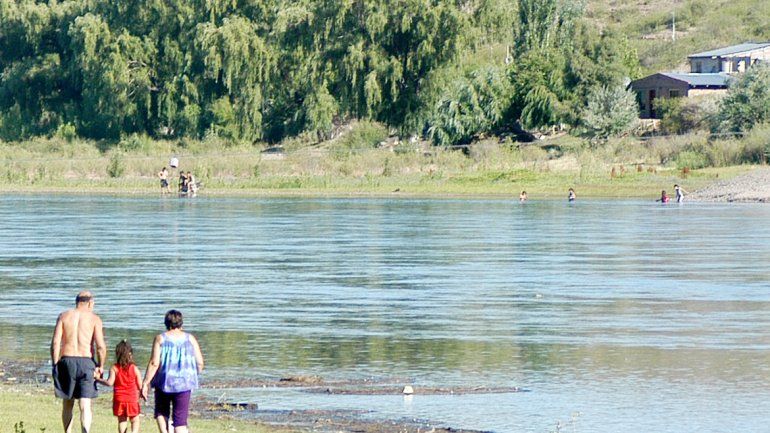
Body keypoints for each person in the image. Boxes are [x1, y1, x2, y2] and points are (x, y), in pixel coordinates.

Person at [51, 291, 107, 433]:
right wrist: (101, 365)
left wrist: (55, 363)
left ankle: (68, 431)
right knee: (85, 403)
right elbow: (100, 346)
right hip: (86, 361)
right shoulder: (95, 319)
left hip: (67, 359)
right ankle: (85, 431)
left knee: (68, 402)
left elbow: (56, 342)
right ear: (90, 303)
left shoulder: (64, 316)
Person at [141, 310, 204, 433]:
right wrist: (193, 374)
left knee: (161, 411)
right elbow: (200, 362)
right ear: (181, 323)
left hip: (164, 381)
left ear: (166, 323)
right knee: (180, 422)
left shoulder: (160, 339)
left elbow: (154, 363)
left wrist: (146, 382)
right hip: (184, 384)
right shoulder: (190, 338)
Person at [95, 340, 142, 433]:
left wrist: (98, 379)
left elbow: (109, 383)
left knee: (122, 420)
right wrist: (142, 394)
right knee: (135, 420)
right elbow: (140, 385)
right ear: (130, 354)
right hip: (132, 399)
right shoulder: (134, 368)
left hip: (119, 399)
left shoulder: (114, 368)